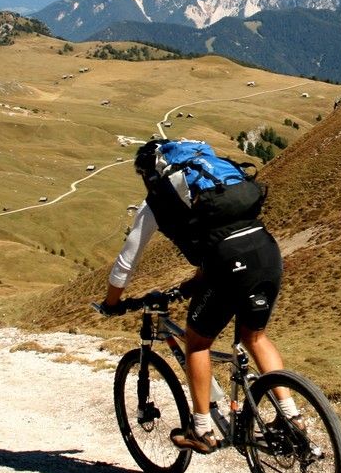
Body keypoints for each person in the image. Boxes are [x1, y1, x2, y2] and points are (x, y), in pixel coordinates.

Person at [99, 140, 300, 453]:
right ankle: (292, 416)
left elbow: (127, 261)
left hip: (227, 262)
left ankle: (202, 429)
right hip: (266, 251)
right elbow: (219, 240)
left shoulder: (158, 198)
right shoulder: (210, 180)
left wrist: (112, 303)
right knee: (255, 337)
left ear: (149, 173)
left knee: (197, 342)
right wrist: (194, 284)